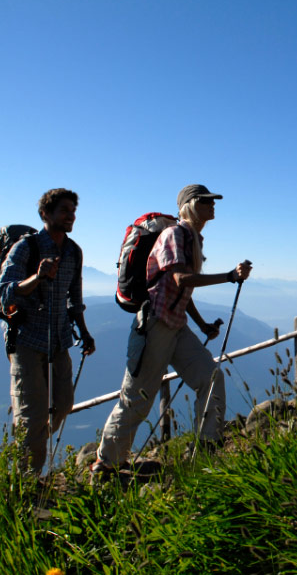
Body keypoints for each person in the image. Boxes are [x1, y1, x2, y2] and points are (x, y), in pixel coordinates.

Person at [93, 184, 252, 472]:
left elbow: (180, 289)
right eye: (206, 201)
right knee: (137, 400)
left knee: (211, 377)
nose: (212, 205)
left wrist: (202, 324)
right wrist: (230, 276)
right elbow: (181, 279)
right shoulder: (175, 235)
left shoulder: (192, 238)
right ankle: (107, 466)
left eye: (212, 201)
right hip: (154, 326)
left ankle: (207, 450)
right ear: (190, 205)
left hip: (175, 326)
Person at [0, 188, 95, 472]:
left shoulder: (73, 251)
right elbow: (6, 293)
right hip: (27, 341)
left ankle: (27, 449)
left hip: (59, 340)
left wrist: (85, 332)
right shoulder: (26, 248)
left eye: (73, 211)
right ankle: (27, 485)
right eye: (65, 210)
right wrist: (38, 277)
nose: (71, 216)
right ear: (45, 214)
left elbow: (74, 299)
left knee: (64, 404)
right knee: (32, 416)